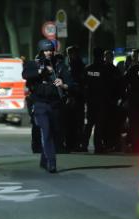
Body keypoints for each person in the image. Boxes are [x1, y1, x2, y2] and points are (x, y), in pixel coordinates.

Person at [22, 39, 72, 173]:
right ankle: (51, 162)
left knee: (55, 132)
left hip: (55, 104)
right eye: (46, 50)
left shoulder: (60, 65)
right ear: (41, 51)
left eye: (50, 50)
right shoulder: (34, 64)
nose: (49, 53)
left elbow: (71, 84)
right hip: (40, 103)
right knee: (46, 131)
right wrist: (41, 71)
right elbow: (26, 74)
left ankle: (44, 160)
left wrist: (63, 84)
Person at [82, 47, 106, 153]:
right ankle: (98, 147)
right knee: (99, 124)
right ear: (102, 56)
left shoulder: (88, 69)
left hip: (90, 100)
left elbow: (83, 84)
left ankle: (84, 145)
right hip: (101, 100)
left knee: (89, 124)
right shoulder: (105, 69)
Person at [65, 45, 86, 152]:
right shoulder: (77, 65)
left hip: (76, 98)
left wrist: (71, 96)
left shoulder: (75, 65)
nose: (68, 56)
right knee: (76, 122)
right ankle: (76, 144)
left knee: (75, 122)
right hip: (78, 97)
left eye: (70, 53)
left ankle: (75, 144)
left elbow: (75, 83)